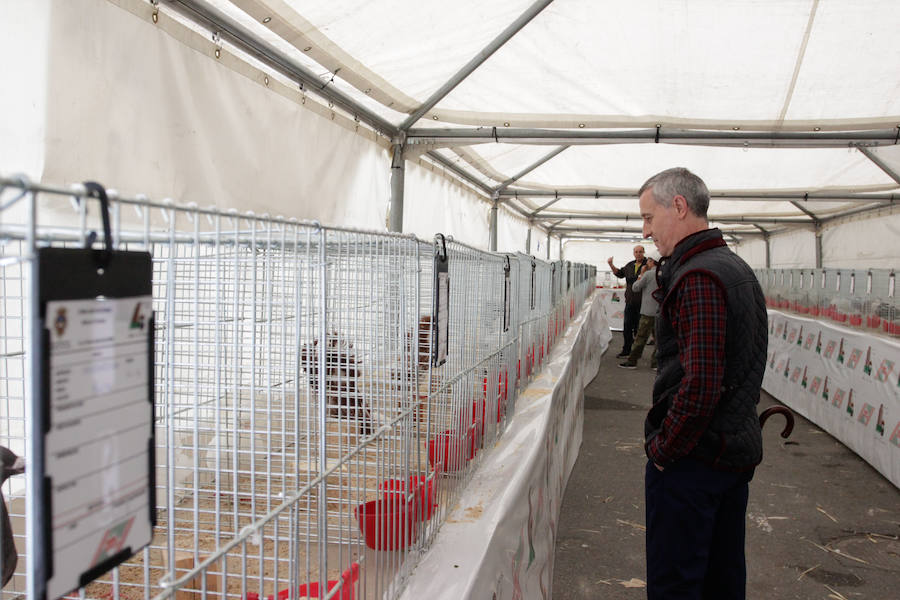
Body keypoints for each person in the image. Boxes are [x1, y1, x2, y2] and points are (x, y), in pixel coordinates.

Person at [638, 167, 767, 600]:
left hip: (696, 462)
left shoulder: (699, 277)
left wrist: (664, 451)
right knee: (721, 578)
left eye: (649, 217)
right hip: (729, 453)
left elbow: (701, 386)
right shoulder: (734, 267)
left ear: (679, 206)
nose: (646, 230)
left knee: (677, 582)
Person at [618, 250, 660, 369]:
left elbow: (636, 287)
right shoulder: (664, 273)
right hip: (659, 310)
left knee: (640, 337)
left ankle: (632, 360)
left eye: (649, 261)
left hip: (647, 311)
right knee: (659, 338)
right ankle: (656, 363)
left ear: (652, 262)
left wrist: (641, 274)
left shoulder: (648, 274)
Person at [607, 245, 647, 358]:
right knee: (627, 327)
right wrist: (611, 264)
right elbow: (620, 273)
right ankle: (626, 350)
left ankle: (636, 353)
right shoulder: (630, 265)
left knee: (639, 329)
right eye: (636, 252)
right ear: (633, 253)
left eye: (640, 252)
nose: (638, 254)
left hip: (643, 302)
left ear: (644, 252)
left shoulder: (648, 265)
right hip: (630, 301)